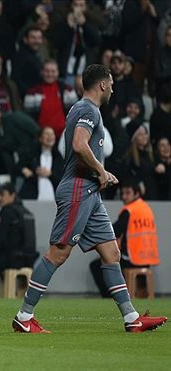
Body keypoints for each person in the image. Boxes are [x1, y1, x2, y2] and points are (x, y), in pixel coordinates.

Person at [11, 64, 166, 334]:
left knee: (111, 253)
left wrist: (102, 173)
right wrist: (99, 170)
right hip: (78, 189)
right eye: (112, 83)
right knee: (58, 253)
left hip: (89, 192)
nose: (114, 88)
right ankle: (24, 316)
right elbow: (79, 145)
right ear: (103, 84)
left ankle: (132, 319)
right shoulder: (87, 109)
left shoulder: (84, 109)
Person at [89, 182, 159, 297]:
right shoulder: (146, 208)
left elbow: (114, 231)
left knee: (96, 265)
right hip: (147, 259)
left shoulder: (129, 210)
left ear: (136, 193)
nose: (124, 197)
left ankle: (109, 297)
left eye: (128, 193)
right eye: (122, 193)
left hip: (132, 259)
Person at [19, 127, 64, 201]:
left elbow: (62, 179)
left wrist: (50, 174)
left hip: (53, 195)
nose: (50, 137)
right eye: (47, 134)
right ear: (40, 138)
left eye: (52, 134)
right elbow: (19, 166)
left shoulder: (58, 157)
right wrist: (25, 170)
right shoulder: (32, 153)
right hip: (33, 193)